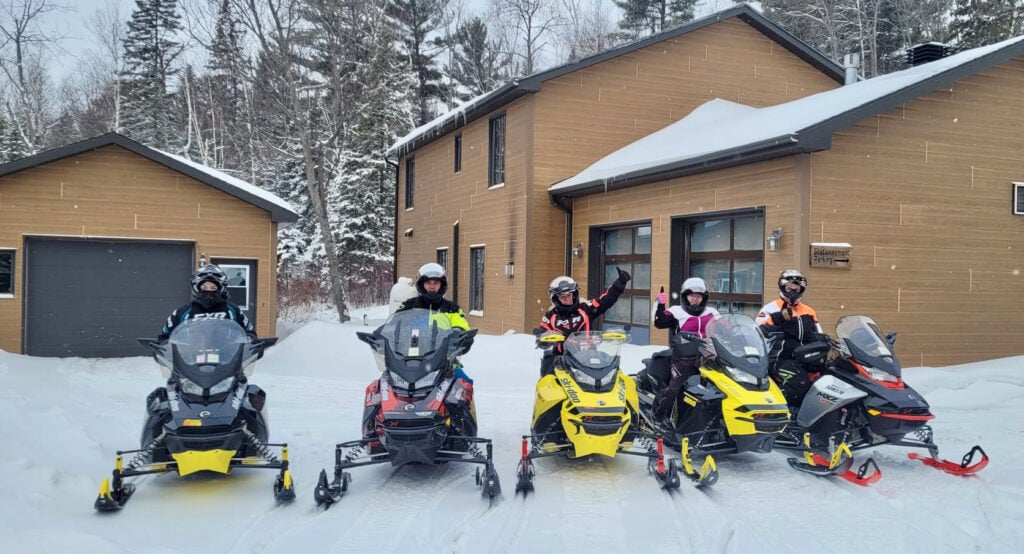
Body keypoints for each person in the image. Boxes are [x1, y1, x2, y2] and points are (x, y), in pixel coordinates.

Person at [362, 262, 476, 444]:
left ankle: (462, 431)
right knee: (381, 386)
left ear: (442, 285)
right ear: (421, 284)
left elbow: (462, 326)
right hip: (408, 360)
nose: (432, 286)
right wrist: (379, 336)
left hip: (444, 361)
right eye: (428, 282)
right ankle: (374, 431)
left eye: (436, 282)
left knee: (463, 384)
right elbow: (393, 326)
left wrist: (463, 338)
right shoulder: (408, 306)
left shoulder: (451, 308)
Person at [535, 267, 632, 376]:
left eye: (569, 295)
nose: (567, 299)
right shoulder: (551, 315)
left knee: (609, 377)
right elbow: (542, 331)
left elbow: (605, 301)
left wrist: (619, 283)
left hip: (588, 356)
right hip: (561, 359)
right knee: (548, 380)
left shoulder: (585, 308)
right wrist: (543, 337)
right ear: (556, 299)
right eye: (563, 297)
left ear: (574, 294)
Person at [648, 277, 720, 420]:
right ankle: (657, 415)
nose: (695, 299)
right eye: (691, 295)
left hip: (709, 359)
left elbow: (727, 329)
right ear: (685, 296)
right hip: (683, 360)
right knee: (675, 389)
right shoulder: (677, 312)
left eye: (698, 296)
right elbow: (659, 322)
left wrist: (740, 334)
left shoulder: (712, 313)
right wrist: (660, 305)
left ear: (703, 298)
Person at [755, 268, 825, 405]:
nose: (793, 292)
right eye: (789, 288)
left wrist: (825, 343)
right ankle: (785, 412)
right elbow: (757, 332)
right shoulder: (771, 308)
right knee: (799, 383)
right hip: (780, 358)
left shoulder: (809, 311)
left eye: (796, 289)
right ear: (782, 288)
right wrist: (776, 319)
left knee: (827, 380)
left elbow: (818, 333)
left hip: (808, 358)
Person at [158, 264, 255, 341]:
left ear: (221, 288)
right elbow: (165, 336)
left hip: (228, 360)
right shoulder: (182, 312)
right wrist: (163, 346)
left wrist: (251, 342)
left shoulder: (233, 310)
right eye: (204, 287)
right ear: (196, 288)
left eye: (213, 288)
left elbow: (250, 332)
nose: (208, 291)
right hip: (189, 360)